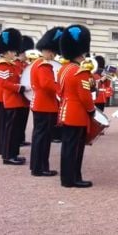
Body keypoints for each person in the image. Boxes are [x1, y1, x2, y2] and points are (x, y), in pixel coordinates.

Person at [57, 25, 96, 188]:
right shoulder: (80, 72)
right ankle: (73, 178)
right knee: (75, 148)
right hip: (77, 114)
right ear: (82, 52)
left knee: (67, 147)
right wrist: (92, 111)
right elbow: (85, 97)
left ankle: (67, 178)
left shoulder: (64, 69)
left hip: (65, 110)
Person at [29, 27, 64, 177]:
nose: (54, 56)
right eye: (54, 52)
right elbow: (47, 84)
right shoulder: (44, 65)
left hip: (40, 104)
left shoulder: (37, 63)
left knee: (39, 137)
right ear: (49, 50)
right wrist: (61, 88)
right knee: (43, 138)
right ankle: (40, 168)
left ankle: (36, 166)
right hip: (45, 106)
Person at [0, 28, 26, 165]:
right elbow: (4, 83)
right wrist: (20, 88)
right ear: (7, 52)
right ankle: (7, 156)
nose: (15, 53)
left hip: (18, 101)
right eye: (13, 51)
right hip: (11, 100)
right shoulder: (2, 65)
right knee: (10, 131)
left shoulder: (12, 64)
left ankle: (14, 153)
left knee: (16, 131)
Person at [16, 35, 35, 147]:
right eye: (24, 54)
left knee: (23, 120)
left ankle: (21, 138)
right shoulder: (16, 64)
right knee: (17, 122)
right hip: (18, 96)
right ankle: (17, 140)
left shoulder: (26, 65)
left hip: (26, 97)